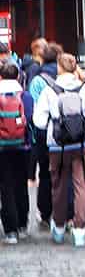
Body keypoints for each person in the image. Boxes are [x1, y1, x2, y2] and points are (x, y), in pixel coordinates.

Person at [33, 52, 85, 246]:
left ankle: (60, 227)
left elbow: (38, 121)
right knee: (82, 185)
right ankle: (79, 229)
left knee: (59, 186)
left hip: (57, 146)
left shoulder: (49, 91)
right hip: (83, 144)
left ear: (59, 68)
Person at [27, 42, 62, 227]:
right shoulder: (69, 75)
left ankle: (46, 212)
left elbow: (32, 109)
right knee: (66, 173)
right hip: (68, 133)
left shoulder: (38, 81)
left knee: (46, 174)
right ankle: (66, 212)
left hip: (44, 133)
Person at [0, 58, 33, 243]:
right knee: (21, 184)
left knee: (6, 186)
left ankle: (10, 230)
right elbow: (30, 119)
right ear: (18, 76)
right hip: (23, 146)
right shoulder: (25, 96)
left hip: (2, 147)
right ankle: (22, 223)